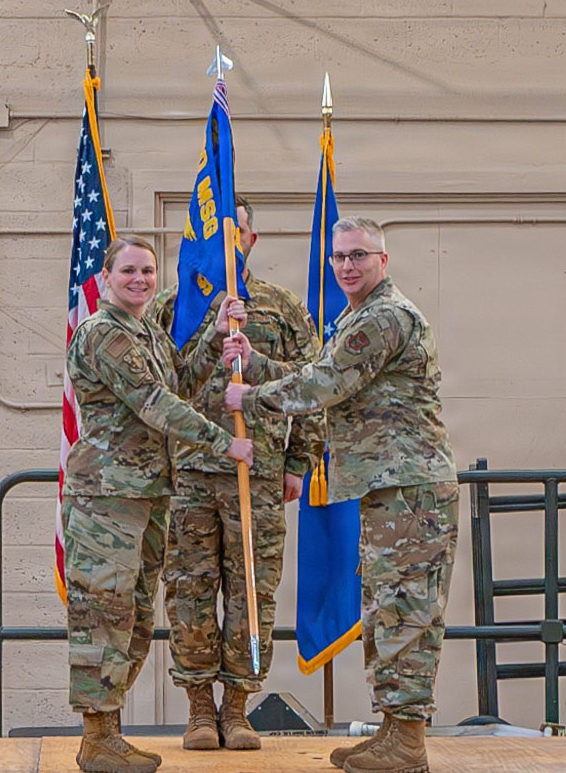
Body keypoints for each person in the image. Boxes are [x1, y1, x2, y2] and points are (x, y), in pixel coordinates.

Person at [224, 216, 459, 773]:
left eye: (358, 255)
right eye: (339, 257)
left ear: (384, 260)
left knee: (406, 613)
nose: (347, 266)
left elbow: (322, 386)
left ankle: (408, 741)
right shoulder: (360, 316)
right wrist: (254, 361)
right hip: (388, 487)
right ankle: (394, 731)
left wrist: (251, 396)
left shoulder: (383, 317)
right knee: (386, 610)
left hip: (410, 491)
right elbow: (321, 369)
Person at [61, 235, 253, 773]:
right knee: (103, 615)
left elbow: (181, 383)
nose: (141, 279)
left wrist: (215, 340)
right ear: (107, 277)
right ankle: (97, 738)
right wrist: (224, 442)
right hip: (107, 498)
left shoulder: (145, 330)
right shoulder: (104, 334)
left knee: (137, 617)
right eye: (129, 271)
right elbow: (154, 403)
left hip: (145, 494)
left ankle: (110, 735)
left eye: (147, 270)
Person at [152, 198, 325, 752]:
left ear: (252, 240)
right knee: (190, 592)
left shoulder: (280, 307)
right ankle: (199, 708)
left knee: (253, 593)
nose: (229, 242)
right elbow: (155, 389)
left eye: (238, 232)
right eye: (217, 233)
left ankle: (237, 708)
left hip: (262, 474)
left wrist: (301, 461)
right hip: (190, 476)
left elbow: (316, 384)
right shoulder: (173, 307)